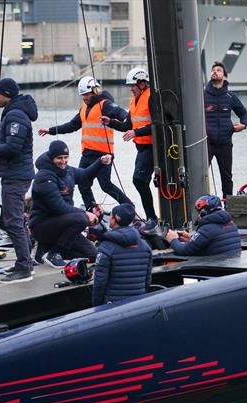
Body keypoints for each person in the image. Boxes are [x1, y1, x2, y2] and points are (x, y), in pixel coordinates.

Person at [37, 76, 132, 209]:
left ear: (95, 91)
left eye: (87, 94)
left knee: (105, 185)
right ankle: (92, 209)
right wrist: (50, 130)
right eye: (82, 95)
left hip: (103, 154)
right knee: (82, 183)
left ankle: (129, 206)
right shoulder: (83, 109)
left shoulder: (105, 104)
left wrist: (127, 120)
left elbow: (122, 114)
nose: (84, 98)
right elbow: (71, 125)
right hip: (87, 154)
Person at [0, 78, 38, 284]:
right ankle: (25, 260)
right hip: (14, 174)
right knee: (12, 219)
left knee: (12, 221)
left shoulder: (16, 116)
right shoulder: (14, 113)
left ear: (7, 94)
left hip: (17, 175)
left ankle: (24, 267)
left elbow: (13, 148)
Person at [29, 140, 109, 267]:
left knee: (93, 255)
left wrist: (100, 162)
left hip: (63, 225)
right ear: (51, 158)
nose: (63, 161)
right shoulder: (44, 177)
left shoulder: (68, 171)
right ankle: (54, 253)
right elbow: (58, 207)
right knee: (82, 218)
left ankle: (46, 250)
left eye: (66, 157)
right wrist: (86, 214)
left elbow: (85, 176)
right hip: (42, 226)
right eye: (59, 158)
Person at [101, 67, 158, 226]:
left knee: (139, 180)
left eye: (133, 85)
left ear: (142, 84)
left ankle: (152, 218)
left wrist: (136, 132)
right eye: (130, 86)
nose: (131, 89)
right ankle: (152, 218)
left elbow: (157, 124)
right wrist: (111, 122)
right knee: (140, 181)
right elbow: (128, 125)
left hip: (152, 147)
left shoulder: (152, 98)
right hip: (141, 147)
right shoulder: (134, 100)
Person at [92, 203, 153, 307]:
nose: (109, 217)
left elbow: (100, 282)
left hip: (113, 307)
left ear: (115, 219)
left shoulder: (106, 246)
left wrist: (96, 306)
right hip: (139, 305)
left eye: (110, 215)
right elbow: (147, 280)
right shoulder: (145, 246)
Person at [204, 62, 247, 198]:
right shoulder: (202, 95)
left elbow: (244, 114)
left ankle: (228, 209)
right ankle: (201, 207)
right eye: (213, 70)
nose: (214, 72)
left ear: (224, 77)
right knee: (200, 176)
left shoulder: (230, 97)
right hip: (207, 144)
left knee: (227, 177)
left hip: (225, 143)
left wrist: (243, 125)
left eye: (218, 70)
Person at [165, 195, 241, 257]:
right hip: (229, 265)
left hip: (217, 269)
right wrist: (191, 238)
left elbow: (184, 250)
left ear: (203, 213)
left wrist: (173, 240)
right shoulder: (231, 224)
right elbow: (212, 241)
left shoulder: (206, 229)